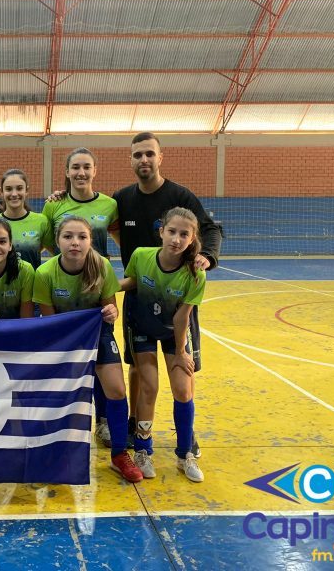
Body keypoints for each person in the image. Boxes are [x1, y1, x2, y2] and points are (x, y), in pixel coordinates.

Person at [112, 132, 222, 461]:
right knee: (138, 368)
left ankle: (185, 434)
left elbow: (211, 229)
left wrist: (208, 257)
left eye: (149, 154)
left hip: (176, 296)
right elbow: (97, 218)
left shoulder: (180, 196)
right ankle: (136, 424)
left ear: (161, 157)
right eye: (137, 155)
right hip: (140, 292)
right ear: (130, 160)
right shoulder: (122, 198)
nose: (143, 160)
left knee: (182, 371)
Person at [32, 216, 142, 483]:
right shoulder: (45, 273)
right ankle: (52, 449)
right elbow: (48, 321)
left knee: (116, 389)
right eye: (68, 236)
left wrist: (111, 311)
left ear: (90, 241)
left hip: (97, 333)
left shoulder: (101, 266)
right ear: (57, 241)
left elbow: (111, 311)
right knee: (59, 391)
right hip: (62, 338)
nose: (75, 242)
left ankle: (118, 454)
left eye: (82, 237)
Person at [119, 207, 206, 482]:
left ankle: (184, 455)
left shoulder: (195, 274)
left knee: (182, 389)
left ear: (192, 239)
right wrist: (105, 286)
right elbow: (132, 283)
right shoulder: (141, 256)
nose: (176, 239)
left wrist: (180, 353)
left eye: (184, 234)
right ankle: (143, 450)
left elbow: (182, 317)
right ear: (161, 232)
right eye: (172, 232)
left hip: (173, 333)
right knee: (150, 386)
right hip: (141, 327)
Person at [41, 148, 119, 446]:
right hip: (64, 294)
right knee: (65, 362)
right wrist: (70, 271)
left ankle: (102, 422)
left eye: (86, 167)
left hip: (97, 294)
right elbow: (50, 245)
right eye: (76, 167)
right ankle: (61, 423)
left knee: (102, 363)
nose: (81, 173)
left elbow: (119, 239)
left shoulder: (110, 205)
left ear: (95, 170)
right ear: (67, 171)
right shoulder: (54, 205)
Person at [0, 169, 51, 270]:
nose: (14, 194)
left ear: (26, 191)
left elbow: (57, 255)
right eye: (8, 189)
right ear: (1, 192)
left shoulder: (41, 221)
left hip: (32, 285)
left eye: (19, 188)